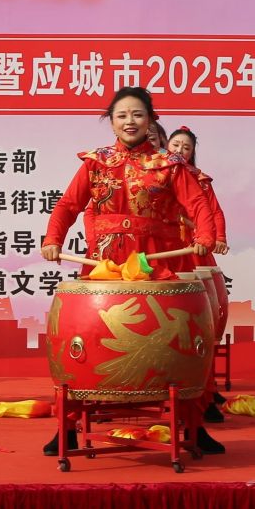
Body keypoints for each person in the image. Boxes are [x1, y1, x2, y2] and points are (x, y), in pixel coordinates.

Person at [41, 87, 218, 453]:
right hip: (105, 263)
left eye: (137, 114)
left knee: (177, 344)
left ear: (151, 119)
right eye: (121, 115)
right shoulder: (96, 163)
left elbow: (197, 203)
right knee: (85, 341)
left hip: (155, 262)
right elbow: (68, 205)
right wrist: (53, 238)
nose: (130, 121)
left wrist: (205, 235)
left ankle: (194, 426)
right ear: (112, 122)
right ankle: (67, 426)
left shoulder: (169, 164)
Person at [167, 125, 231, 421]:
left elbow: (213, 211)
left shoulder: (200, 180)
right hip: (166, 249)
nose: (180, 150)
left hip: (194, 249)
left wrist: (217, 237)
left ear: (192, 153)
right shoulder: (156, 174)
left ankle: (204, 389)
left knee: (201, 316)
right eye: (175, 145)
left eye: (186, 147)